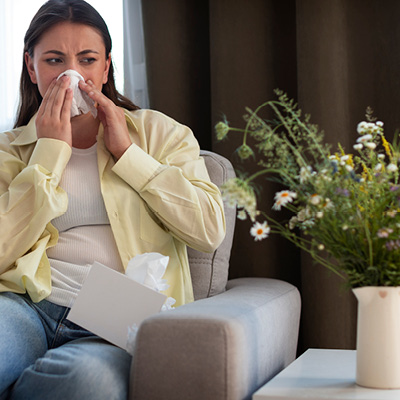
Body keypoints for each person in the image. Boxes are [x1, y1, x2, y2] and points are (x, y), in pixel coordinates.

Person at [0, 0, 226, 398]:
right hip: (26, 304)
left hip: (117, 316)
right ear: (32, 67)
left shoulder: (160, 135)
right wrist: (49, 155)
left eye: (87, 59)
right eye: (54, 60)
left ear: (105, 68)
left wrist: (129, 155)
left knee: (88, 382)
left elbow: (208, 230)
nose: (72, 75)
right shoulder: (9, 152)